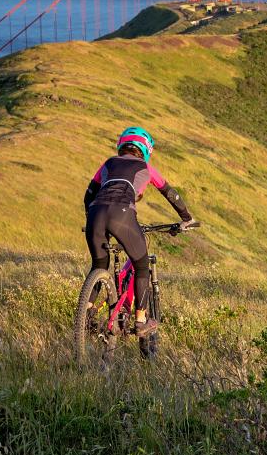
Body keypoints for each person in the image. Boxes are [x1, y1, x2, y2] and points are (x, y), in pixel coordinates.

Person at [84, 126, 196, 337]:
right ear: (145, 149)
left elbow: (88, 195)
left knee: (99, 264)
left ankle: (86, 315)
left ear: (122, 145)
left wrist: (89, 219)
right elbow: (171, 194)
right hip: (123, 214)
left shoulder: (108, 163)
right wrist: (186, 218)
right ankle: (141, 319)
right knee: (141, 265)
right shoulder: (145, 167)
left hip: (95, 213)